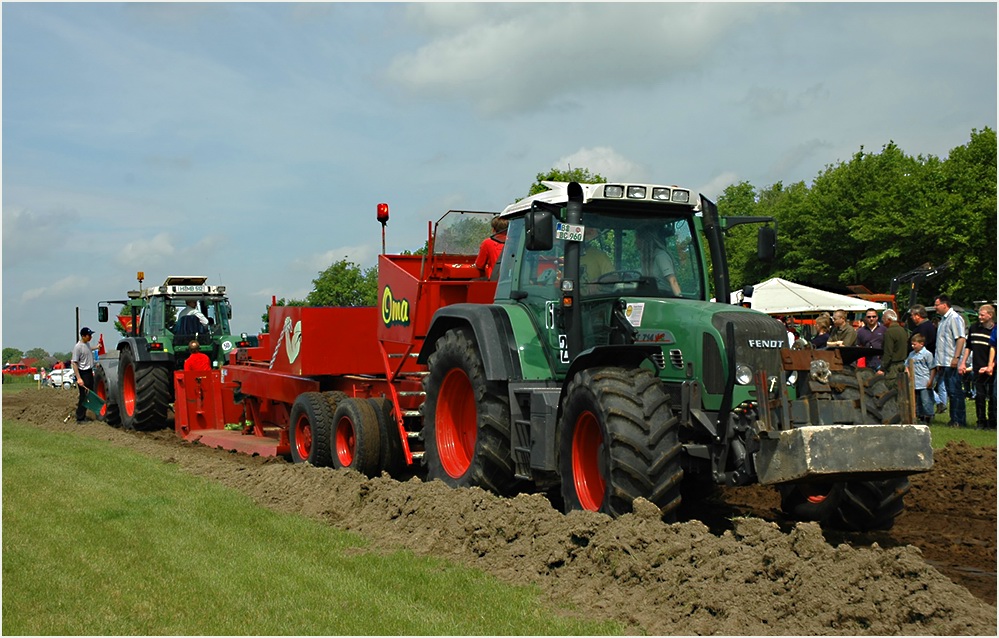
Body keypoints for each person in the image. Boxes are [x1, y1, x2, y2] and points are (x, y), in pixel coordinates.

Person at [960, 304, 995, 430]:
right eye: (979, 314)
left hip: (991, 368)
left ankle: (992, 421)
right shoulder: (974, 328)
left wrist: (990, 365)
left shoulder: (994, 330)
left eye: (982, 314)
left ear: (990, 315)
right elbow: (968, 347)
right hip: (977, 366)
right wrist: (963, 362)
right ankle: (980, 420)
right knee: (979, 396)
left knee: (992, 396)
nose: (979, 317)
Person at [934, 294, 967, 428]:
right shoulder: (943, 320)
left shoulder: (954, 318)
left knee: (955, 392)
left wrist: (956, 357)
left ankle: (959, 420)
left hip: (951, 361)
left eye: (937, 305)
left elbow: (960, 338)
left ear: (944, 304)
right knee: (950, 392)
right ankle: (953, 419)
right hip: (943, 362)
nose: (935, 307)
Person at [910, 303, 945, 414]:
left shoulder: (924, 328)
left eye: (912, 315)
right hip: (920, 361)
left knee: (925, 387)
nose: (911, 318)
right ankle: (929, 408)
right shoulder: (927, 326)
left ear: (917, 315)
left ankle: (932, 408)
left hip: (924, 362)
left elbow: (925, 344)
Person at [636, 224, 681, 296]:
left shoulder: (661, 256)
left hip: (665, 296)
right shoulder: (647, 260)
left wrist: (680, 300)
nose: (635, 242)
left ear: (644, 240)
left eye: (637, 239)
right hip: (652, 295)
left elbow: (673, 281)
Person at [905, 334, 936, 426]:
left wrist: (931, 380)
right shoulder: (911, 354)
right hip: (915, 382)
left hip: (924, 381)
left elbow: (932, 368)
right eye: (912, 344)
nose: (912, 346)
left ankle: (928, 416)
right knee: (917, 401)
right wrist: (909, 375)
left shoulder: (927, 354)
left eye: (914, 344)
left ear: (921, 344)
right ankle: (920, 416)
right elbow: (906, 365)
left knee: (926, 400)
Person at [71, 327, 97, 423]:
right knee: (83, 395)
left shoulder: (87, 344)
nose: (90, 337)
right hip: (83, 373)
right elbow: (74, 363)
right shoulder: (78, 347)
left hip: (89, 372)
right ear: (83, 336)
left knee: (90, 394)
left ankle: (86, 414)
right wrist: (79, 378)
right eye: (89, 335)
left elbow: (89, 349)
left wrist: (97, 347)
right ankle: (80, 417)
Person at [878, 309, 908, 382]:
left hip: (892, 367)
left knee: (891, 388)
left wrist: (882, 368)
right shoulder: (902, 330)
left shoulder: (889, 332)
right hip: (902, 364)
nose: (882, 321)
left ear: (889, 320)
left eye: (883, 318)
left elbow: (888, 352)